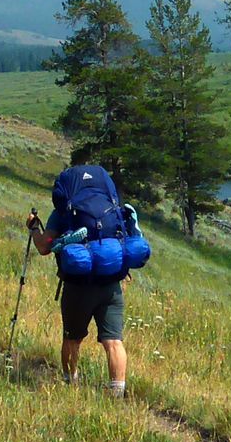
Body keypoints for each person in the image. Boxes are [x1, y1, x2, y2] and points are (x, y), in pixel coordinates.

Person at [27, 163, 146, 398]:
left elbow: (43, 248)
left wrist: (33, 229)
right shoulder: (113, 208)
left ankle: (70, 385)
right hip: (112, 284)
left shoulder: (64, 212)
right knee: (113, 341)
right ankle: (117, 393)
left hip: (78, 286)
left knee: (72, 338)